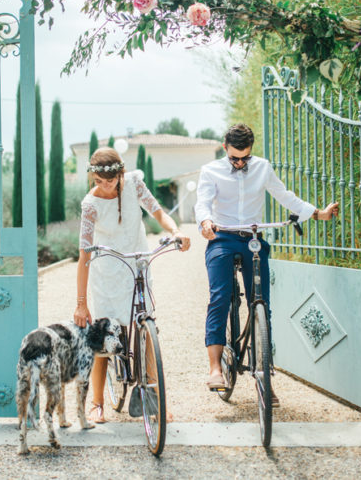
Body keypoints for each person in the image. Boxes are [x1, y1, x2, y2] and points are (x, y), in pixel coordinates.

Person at [194, 123, 338, 399]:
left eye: (245, 158)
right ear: (225, 148)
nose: (239, 163)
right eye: (234, 157)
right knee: (220, 298)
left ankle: (264, 377)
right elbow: (203, 202)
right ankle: (215, 369)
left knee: (261, 304)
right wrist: (205, 222)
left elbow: (284, 196)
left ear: (251, 152)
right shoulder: (210, 171)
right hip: (221, 237)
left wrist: (317, 214)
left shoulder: (262, 167)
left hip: (252, 237)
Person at [75, 147, 191, 423]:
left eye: (111, 180)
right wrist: (81, 303)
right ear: (93, 177)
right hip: (108, 271)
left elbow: (158, 212)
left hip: (138, 262)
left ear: (121, 174)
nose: (106, 186)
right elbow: (84, 256)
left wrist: (176, 231)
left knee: (147, 327)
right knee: (105, 335)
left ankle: (156, 399)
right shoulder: (90, 205)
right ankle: (97, 403)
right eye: (100, 181)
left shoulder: (135, 184)